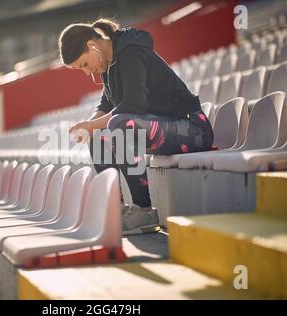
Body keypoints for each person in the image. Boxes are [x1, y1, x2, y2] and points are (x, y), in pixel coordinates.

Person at [58, 18, 214, 235]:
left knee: (119, 125)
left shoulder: (129, 51)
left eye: (84, 64)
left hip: (192, 129)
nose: (87, 72)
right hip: (163, 129)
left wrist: (92, 125)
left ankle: (144, 210)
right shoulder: (108, 62)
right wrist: (89, 127)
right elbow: (106, 104)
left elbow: (133, 105)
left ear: (92, 46)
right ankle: (118, 210)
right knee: (98, 134)